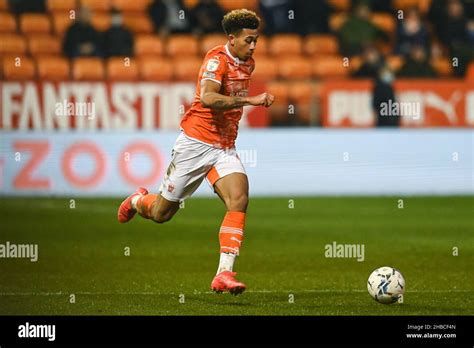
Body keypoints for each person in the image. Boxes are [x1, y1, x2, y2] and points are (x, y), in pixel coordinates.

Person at [117, 9, 275, 295]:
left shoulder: (248, 62)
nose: (253, 46)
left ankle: (223, 274)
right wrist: (251, 100)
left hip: (224, 146)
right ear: (232, 38)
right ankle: (139, 199)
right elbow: (209, 97)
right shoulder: (217, 60)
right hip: (196, 144)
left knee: (239, 199)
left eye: (256, 40)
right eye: (249, 40)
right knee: (161, 214)